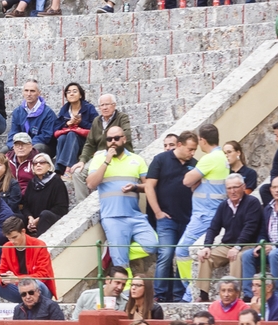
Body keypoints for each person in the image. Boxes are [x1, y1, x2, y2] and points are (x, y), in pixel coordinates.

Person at [86, 126, 158, 269]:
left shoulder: (137, 159)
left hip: (135, 216)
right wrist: (106, 161)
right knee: (121, 264)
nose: (113, 142)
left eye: (117, 138)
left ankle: (112, 253)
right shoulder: (99, 159)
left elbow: (149, 186)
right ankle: (124, 288)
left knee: (153, 245)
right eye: (109, 139)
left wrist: (135, 187)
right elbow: (91, 184)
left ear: (124, 139)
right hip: (112, 218)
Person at [173, 126, 229, 292]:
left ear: (203, 140)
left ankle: (190, 289)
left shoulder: (209, 158)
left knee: (182, 250)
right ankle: (191, 289)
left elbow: (187, 181)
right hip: (209, 213)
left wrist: (194, 179)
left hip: (204, 215)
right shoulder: (222, 157)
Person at [145, 130, 197, 302]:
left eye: (194, 149)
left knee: (182, 256)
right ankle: (159, 295)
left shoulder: (195, 164)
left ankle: (178, 294)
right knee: (166, 253)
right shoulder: (161, 159)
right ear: (180, 145)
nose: (192, 153)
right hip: (166, 219)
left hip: (188, 219)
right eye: (190, 149)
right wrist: (158, 212)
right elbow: (149, 186)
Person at [196, 174, 263, 301]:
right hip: (226, 244)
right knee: (205, 258)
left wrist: (237, 247)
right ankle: (203, 294)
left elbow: (250, 228)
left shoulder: (252, 203)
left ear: (243, 187)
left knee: (236, 257)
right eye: (229, 188)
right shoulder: (223, 205)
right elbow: (213, 227)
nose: (232, 191)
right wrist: (207, 246)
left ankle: (234, 296)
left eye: (236, 187)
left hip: (246, 244)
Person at [240, 176, 278, 290]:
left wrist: (273, 246)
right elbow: (262, 231)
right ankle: (249, 293)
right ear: (271, 190)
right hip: (269, 246)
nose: (277, 190)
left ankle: (276, 292)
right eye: (274, 187)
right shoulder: (267, 208)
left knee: (274, 254)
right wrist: (260, 245)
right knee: (247, 255)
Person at [70, 94, 133, 201]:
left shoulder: (122, 117)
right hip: (100, 157)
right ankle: (83, 206)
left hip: (119, 154)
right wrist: (82, 160)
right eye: (102, 105)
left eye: (107, 104)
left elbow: (126, 137)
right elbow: (89, 143)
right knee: (77, 173)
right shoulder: (96, 121)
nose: (104, 107)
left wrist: (108, 148)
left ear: (114, 105)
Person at [0, 216, 55, 303]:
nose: (12, 241)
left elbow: (43, 276)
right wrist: (4, 279)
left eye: (14, 237)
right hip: (19, 289)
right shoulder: (6, 247)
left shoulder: (39, 245)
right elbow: (0, 273)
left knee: (34, 284)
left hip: (40, 289)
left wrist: (17, 279)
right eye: (9, 238)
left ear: (23, 231)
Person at [53, 82, 98, 174]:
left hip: (86, 141)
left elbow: (96, 127)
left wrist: (81, 122)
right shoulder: (64, 109)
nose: (71, 94)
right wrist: (67, 124)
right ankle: (58, 169)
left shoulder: (89, 108)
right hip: (70, 141)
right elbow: (56, 127)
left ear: (80, 95)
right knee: (62, 138)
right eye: (68, 92)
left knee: (72, 134)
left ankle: (69, 167)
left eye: (74, 91)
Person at [21, 153, 68, 236]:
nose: (38, 165)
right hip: (33, 221)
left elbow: (61, 207)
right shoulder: (31, 183)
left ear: (49, 166)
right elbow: (26, 205)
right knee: (17, 218)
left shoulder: (57, 182)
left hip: (50, 219)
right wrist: (30, 218)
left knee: (45, 214)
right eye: (35, 163)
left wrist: (39, 219)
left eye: (42, 162)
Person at [5, 80, 56, 153]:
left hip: (43, 146)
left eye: (32, 91)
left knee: (36, 148)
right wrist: (13, 145)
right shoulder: (17, 111)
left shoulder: (48, 113)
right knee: (5, 150)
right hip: (21, 145)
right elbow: (13, 132)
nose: (29, 94)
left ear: (39, 93)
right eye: (26, 90)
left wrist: (28, 145)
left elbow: (46, 136)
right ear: (23, 92)